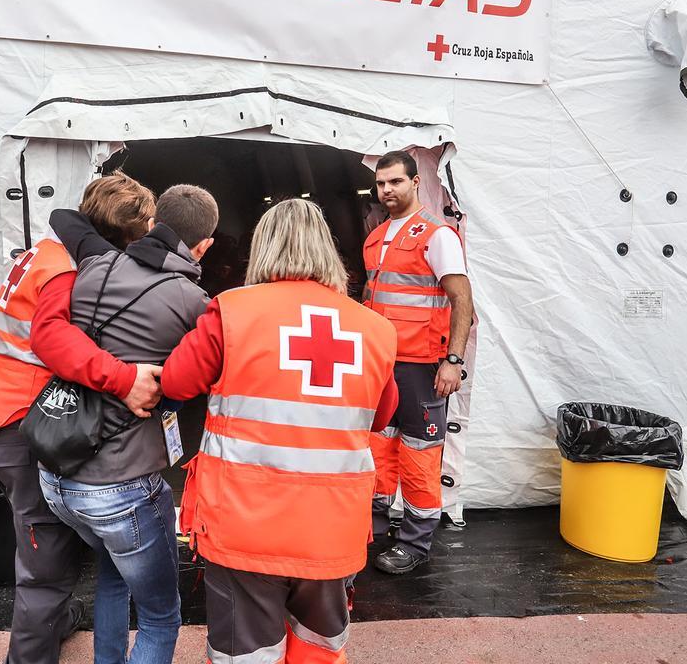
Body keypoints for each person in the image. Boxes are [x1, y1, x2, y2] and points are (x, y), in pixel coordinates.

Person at [161, 198, 398, 663]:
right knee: (319, 649)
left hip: (244, 527)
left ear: (263, 248)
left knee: (245, 655)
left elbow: (176, 382)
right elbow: (383, 415)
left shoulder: (231, 311)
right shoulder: (375, 329)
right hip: (334, 528)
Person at [0, 172, 161, 664]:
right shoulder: (64, 271)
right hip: (20, 424)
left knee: (43, 544)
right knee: (45, 562)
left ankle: (55, 622)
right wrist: (123, 378)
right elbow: (53, 340)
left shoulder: (44, 251)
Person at [31, 184, 219, 664]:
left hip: (57, 476)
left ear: (155, 224)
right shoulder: (193, 301)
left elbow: (65, 217)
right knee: (160, 617)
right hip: (121, 489)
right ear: (205, 247)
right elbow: (196, 379)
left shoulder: (96, 265)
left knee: (115, 574)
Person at [362, 150, 474, 575]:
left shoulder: (437, 236)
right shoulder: (375, 238)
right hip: (381, 364)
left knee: (419, 454)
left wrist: (453, 361)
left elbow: (462, 299)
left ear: (414, 183)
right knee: (378, 446)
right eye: (381, 184)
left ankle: (415, 541)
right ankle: (373, 525)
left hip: (421, 367)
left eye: (395, 182)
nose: (387, 190)